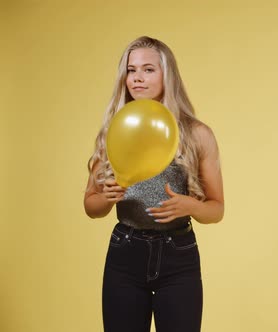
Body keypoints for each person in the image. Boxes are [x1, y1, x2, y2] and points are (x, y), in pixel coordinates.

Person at [83, 36, 224, 332]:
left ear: (166, 75)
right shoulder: (115, 129)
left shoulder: (197, 134)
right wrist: (108, 197)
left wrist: (190, 206)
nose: (137, 78)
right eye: (131, 70)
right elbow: (91, 206)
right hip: (125, 252)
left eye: (148, 69)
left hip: (179, 255)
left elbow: (216, 209)